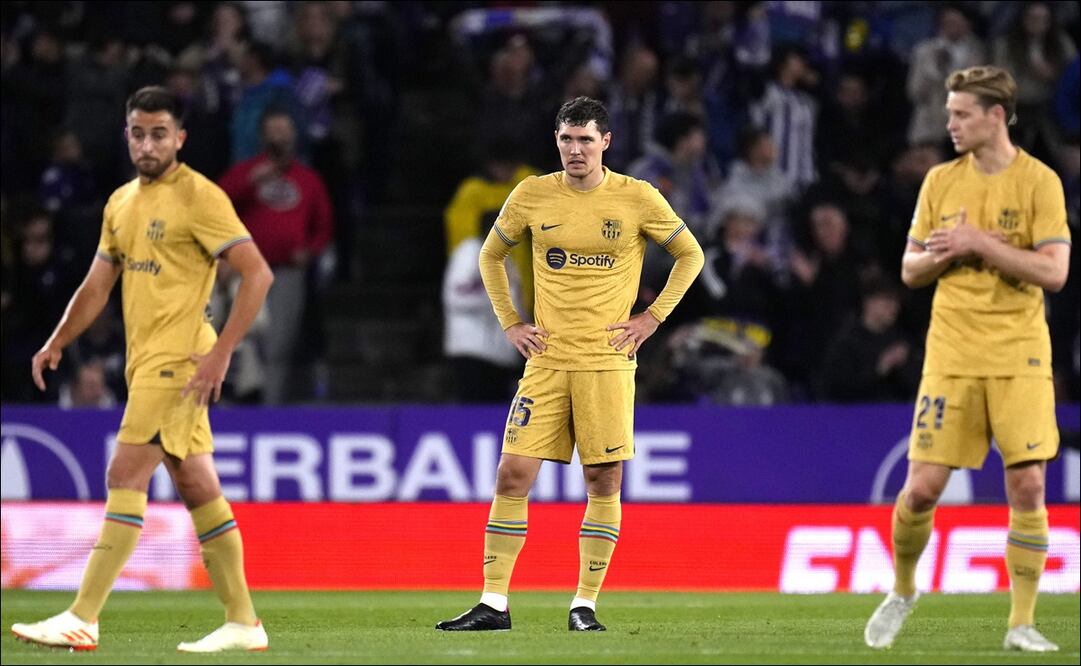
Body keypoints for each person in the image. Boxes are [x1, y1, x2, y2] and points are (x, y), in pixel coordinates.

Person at [10, 86, 275, 653]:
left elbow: (257, 275)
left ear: (179, 138)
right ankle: (243, 621)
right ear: (126, 135)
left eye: (159, 133)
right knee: (197, 484)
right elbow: (98, 283)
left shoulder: (201, 197)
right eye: (138, 132)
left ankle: (83, 615)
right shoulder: (120, 203)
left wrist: (222, 351)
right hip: (146, 358)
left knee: (124, 476)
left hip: (180, 360)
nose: (147, 143)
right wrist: (58, 339)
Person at [436, 96, 704, 632]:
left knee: (603, 481)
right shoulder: (533, 194)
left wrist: (650, 319)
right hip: (547, 361)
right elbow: (489, 254)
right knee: (512, 474)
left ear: (606, 142)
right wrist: (511, 321)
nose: (575, 149)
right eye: (566, 139)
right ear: (556, 142)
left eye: (585, 139)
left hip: (606, 361)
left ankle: (584, 604)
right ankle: (493, 603)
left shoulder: (638, 197)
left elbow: (690, 254)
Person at [864, 66, 1071, 653]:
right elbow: (908, 269)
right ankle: (903, 589)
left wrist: (981, 244)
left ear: (995, 117)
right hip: (952, 352)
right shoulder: (939, 182)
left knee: (1028, 485)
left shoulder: (1040, 183)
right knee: (923, 488)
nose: (948, 123)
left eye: (959, 114)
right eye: (949, 113)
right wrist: (948, 253)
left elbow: (1055, 272)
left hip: (1020, 354)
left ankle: (1021, 622)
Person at [218, 108, 333, 404]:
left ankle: (270, 408)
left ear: (295, 136)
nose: (280, 136)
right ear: (263, 136)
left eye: (285, 129)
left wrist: (311, 252)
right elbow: (214, 207)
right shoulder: (247, 171)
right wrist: (253, 181)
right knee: (238, 340)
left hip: (286, 272)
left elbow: (324, 225)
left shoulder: (308, 179)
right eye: (274, 130)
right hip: (246, 271)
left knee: (278, 344)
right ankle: (230, 404)